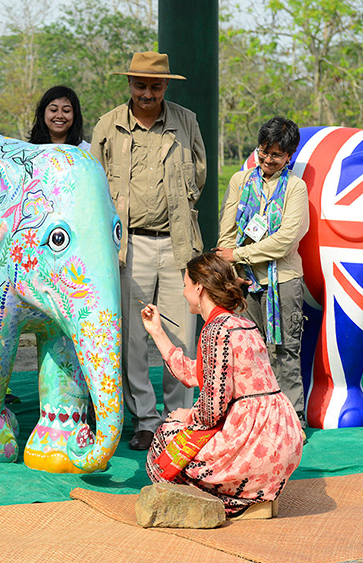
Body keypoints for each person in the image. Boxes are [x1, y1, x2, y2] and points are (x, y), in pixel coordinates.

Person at [91, 51, 206, 451]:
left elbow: (200, 175)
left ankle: (179, 417)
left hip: (178, 244)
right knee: (133, 338)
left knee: (181, 335)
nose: (147, 93)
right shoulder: (108, 125)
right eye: (140, 85)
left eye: (155, 86)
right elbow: (96, 184)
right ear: (129, 84)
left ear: (166, 86)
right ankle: (144, 419)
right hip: (129, 245)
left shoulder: (186, 121)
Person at [142, 252, 304, 519]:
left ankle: (239, 503)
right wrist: (157, 332)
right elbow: (196, 375)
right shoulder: (244, 324)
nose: (183, 292)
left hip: (255, 442)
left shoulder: (215, 330)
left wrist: (185, 416)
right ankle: (260, 497)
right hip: (283, 440)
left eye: (185, 285)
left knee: (165, 438)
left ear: (199, 288)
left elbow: (211, 410)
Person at [216, 116, 309, 427]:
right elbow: (227, 232)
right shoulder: (240, 181)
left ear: (289, 156)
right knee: (248, 351)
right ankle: (254, 418)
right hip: (244, 281)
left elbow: (285, 241)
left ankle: (293, 421)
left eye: (276, 155)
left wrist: (239, 254)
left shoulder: (295, 188)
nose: (268, 159)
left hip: (283, 281)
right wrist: (232, 271)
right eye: (263, 151)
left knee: (285, 351)